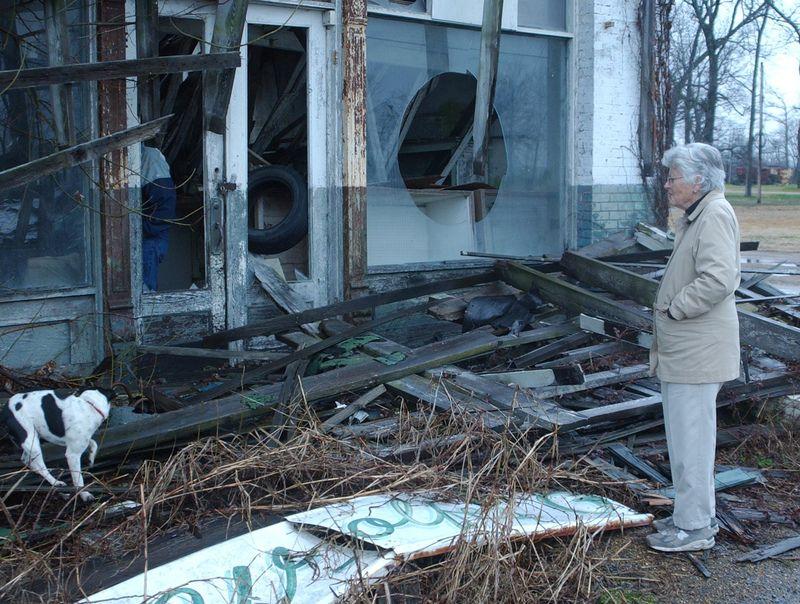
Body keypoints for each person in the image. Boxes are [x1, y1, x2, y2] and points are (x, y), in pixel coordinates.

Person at [647, 142, 741, 553]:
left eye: (673, 178)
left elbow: (720, 279)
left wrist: (674, 308)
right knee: (686, 442)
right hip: (687, 350)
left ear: (698, 181)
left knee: (692, 443)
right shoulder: (699, 215)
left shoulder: (714, 214)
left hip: (696, 351)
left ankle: (696, 528)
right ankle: (689, 518)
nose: (667, 185)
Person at [141, 144, 176, 292]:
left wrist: (139, 227)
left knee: (145, 295)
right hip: (147, 237)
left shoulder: (149, 158)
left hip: (149, 240)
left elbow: (165, 204)